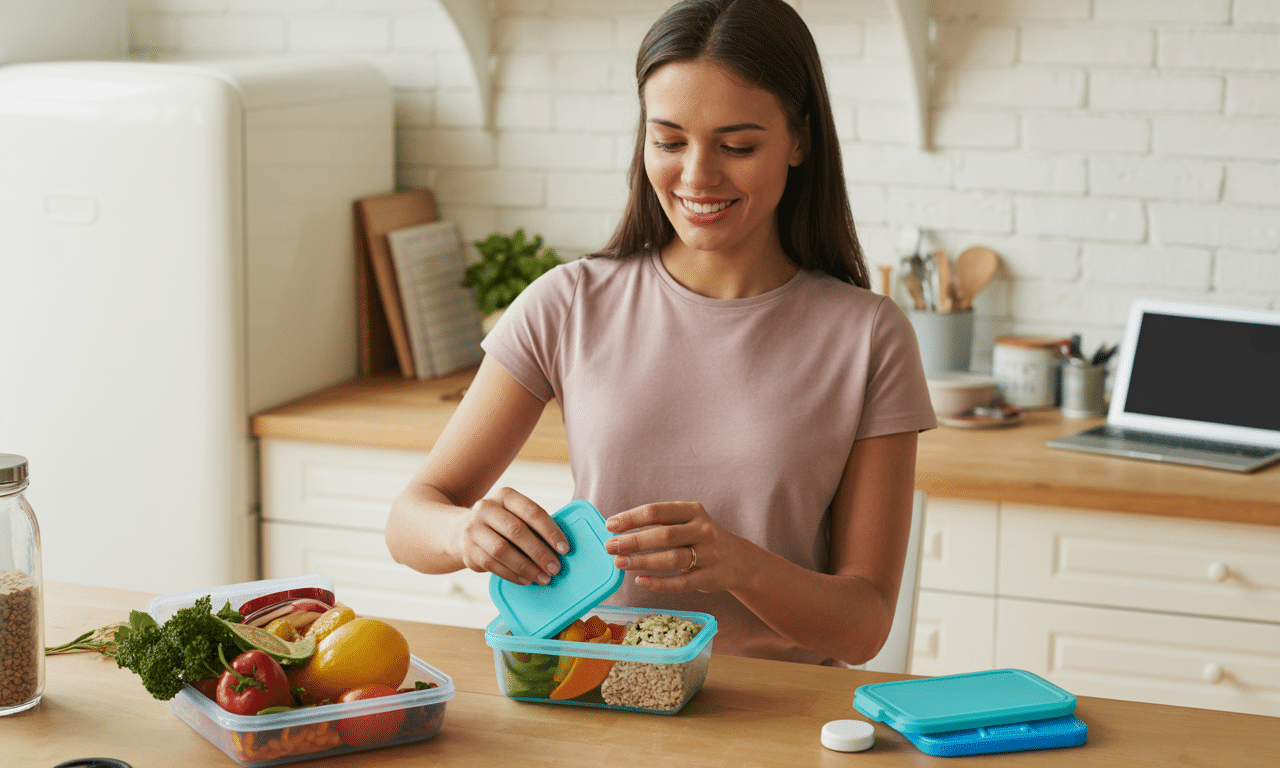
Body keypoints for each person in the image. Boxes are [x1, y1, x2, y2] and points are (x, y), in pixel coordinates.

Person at [385, 0, 936, 667]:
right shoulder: (569, 303)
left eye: (737, 145)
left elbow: (865, 626)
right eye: (669, 140)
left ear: (800, 140)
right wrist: (467, 533)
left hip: (775, 717)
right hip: (596, 691)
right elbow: (411, 518)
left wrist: (742, 566)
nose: (698, 175)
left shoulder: (869, 337)